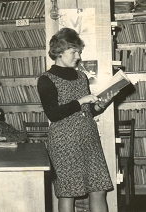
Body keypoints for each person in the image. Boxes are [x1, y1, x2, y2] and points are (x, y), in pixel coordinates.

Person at [37, 28, 114, 212]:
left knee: (99, 189)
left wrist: (102, 104)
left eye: (79, 52)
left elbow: (88, 111)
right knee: (67, 193)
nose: (78, 56)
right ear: (59, 51)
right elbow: (53, 114)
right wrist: (81, 101)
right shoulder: (46, 79)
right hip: (64, 141)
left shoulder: (81, 76)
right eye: (74, 52)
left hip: (89, 138)